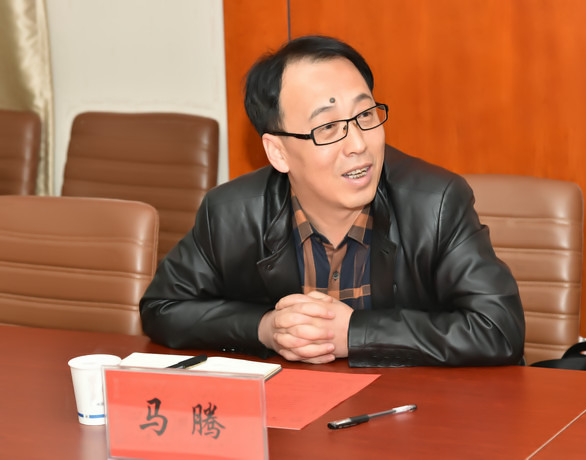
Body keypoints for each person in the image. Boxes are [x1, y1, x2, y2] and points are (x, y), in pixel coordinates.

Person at [140, 35, 525, 367]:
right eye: (327, 127)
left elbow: (499, 328)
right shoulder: (231, 213)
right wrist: (265, 328)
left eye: (365, 115)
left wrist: (354, 334)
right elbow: (162, 308)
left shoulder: (435, 203)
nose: (358, 144)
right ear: (278, 152)